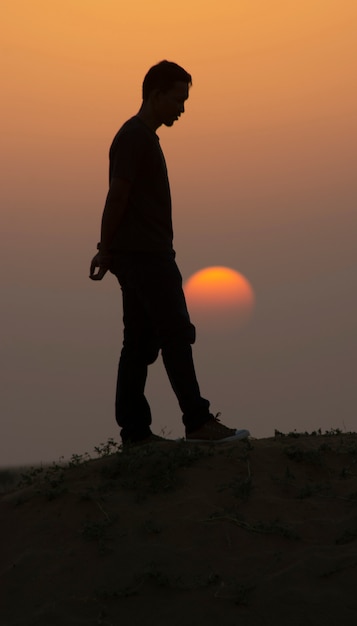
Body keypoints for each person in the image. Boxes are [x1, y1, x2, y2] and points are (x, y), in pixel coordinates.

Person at [89, 60, 250, 445]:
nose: (182, 108)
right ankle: (197, 421)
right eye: (178, 99)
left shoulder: (143, 138)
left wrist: (110, 251)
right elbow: (118, 194)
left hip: (142, 254)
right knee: (175, 333)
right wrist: (104, 248)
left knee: (141, 343)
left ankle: (135, 433)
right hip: (145, 257)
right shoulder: (134, 137)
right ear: (156, 95)